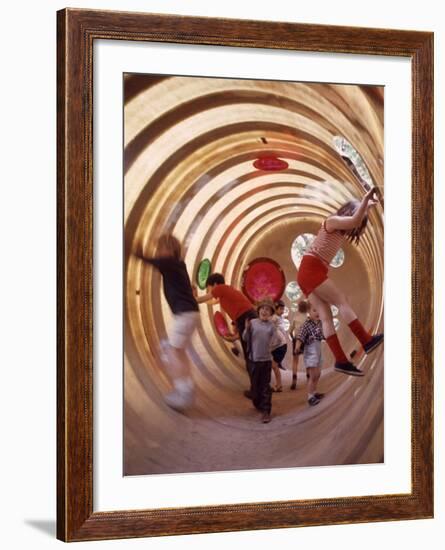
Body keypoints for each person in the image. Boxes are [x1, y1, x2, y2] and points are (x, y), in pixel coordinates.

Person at [297, 187, 383, 376]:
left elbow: (355, 221)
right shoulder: (332, 221)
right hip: (311, 268)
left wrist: (367, 207)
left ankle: (341, 361)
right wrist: (366, 199)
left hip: (308, 271)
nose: (356, 227)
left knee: (326, 317)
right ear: (349, 212)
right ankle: (366, 340)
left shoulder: (340, 229)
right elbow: (354, 220)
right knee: (341, 301)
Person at [135, 234, 199, 411]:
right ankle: (188, 387)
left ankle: (183, 392)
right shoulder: (178, 265)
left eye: (160, 248)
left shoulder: (170, 263)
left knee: (171, 351)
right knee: (179, 351)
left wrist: (139, 255)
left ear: (170, 250)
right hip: (191, 314)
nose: (158, 252)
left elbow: (156, 262)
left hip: (185, 314)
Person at [195, 273, 257, 396]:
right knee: (255, 354)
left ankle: (256, 390)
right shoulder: (227, 291)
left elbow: (205, 298)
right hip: (249, 317)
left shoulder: (220, 288)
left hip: (245, 318)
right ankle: (262, 386)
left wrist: (190, 298)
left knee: (250, 356)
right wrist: (235, 336)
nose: (210, 291)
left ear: (214, 284)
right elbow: (212, 302)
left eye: (209, 288)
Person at [242, 300, 279, 423]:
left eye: (267, 309)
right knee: (255, 386)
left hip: (266, 361)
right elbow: (245, 338)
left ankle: (266, 411)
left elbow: (277, 341)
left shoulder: (271, 326)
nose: (264, 311)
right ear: (258, 310)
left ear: (271, 313)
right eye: (262, 308)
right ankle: (258, 403)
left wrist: (271, 347)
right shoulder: (252, 323)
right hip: (253, 360)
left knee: (265, 387)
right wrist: (247, 329)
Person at [294, 300, 325, 406]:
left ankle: (314, 392)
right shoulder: (306, 325)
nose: (317, 313)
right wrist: (297, 347)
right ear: (309, 311)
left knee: (318, 374)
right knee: (313, 375)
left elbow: (323, 335)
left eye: (319, 311)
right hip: (311, 351)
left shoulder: (320, 323)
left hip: (318, 350)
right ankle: (310, 396)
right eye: (314, 310)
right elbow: (300, 336)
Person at [270, 300, 288, 392]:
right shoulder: (275, 318)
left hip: (280, 346)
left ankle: (279, 385)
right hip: (278, 345)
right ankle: (278, 384)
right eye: (281, 309)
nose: (282, 311)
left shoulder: (277, 318)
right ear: (275, 309)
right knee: (273, 365)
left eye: (283, 309)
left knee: (274, 366)